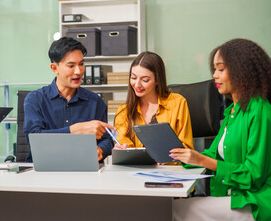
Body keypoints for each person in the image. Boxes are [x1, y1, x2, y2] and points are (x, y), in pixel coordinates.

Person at [170, 38, 271, 221]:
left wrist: (202, 160)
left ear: (242, 71)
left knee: (172, 211)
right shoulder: (232, 112)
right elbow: (212, 154)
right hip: (232, 195)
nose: (215, 75)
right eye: (214, 69)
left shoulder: (260, 110)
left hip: (254, 201)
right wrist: (181, 158)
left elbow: (253, 175)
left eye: (221, 69)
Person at [23, 37, 114, 162]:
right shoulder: (35, 99)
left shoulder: (95, 101)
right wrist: (74, 130)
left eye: (81, 64)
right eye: (71, 66)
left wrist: (100, 149)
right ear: (54, 68)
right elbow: (33, 138)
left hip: (83, 167)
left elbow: (107, 139)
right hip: (43, 168)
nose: (78, 71)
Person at [113, 51, 194, 152]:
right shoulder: (123, 111)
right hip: (137, 167)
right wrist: (123, 149)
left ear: (157, 80)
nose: (137, 84)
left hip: (170, 166)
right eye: (133, 78)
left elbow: (186, 148)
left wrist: (165, 158)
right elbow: (124, 144)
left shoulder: (178, 103)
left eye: (145, 80)